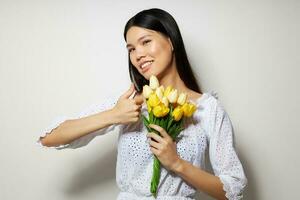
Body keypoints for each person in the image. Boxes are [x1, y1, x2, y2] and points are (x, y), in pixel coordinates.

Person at [37, 8, 247, 200]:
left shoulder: (207, 109)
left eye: (146, 42)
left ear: (171, 41)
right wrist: (114, 115)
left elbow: (233, 190)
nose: (138, 55)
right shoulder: (129, 103)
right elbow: (50, 138)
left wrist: (177, 163)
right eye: (131, 49)